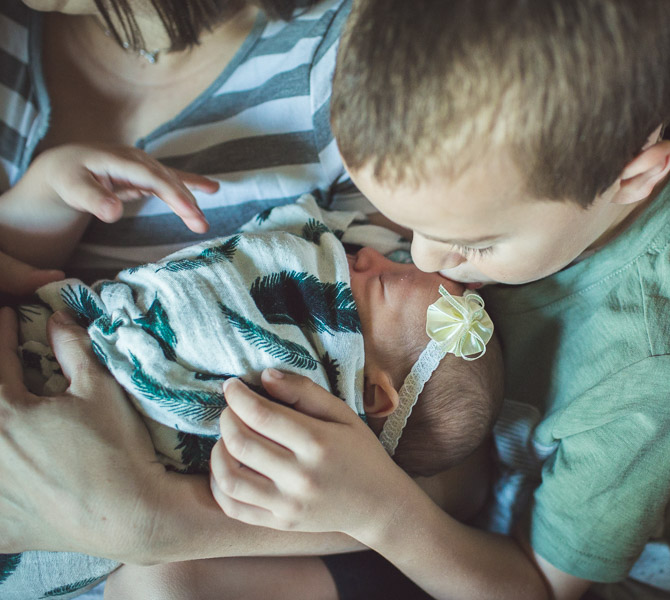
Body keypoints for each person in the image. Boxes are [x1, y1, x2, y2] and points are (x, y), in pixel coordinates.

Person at [201, 1, 670, 599]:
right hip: (451, 471)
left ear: (634, 179)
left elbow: (538, 589)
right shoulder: (528, 161)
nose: (423, 260)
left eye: (475, 244)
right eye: (408, 224)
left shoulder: (664, 365)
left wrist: (374, 507)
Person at [0, 0, 489, 585]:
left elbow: (442, 467)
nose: (365, 256)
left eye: (376, 273)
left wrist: (151, 517)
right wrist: (46, 197)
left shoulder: (345, 76)